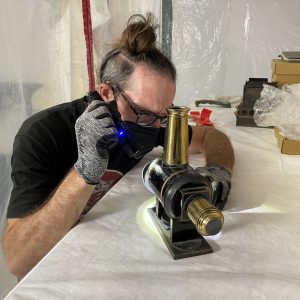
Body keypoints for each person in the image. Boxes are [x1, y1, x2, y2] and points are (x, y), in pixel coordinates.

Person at [2, 13, 234, 280]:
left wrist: (219, 169)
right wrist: (84, 172)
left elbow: (210, 137)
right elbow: (19, 261)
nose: (154, 127)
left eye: (162, 115)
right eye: (143, 113)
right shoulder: (43, 134)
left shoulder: (149, 120)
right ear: (106, 94)